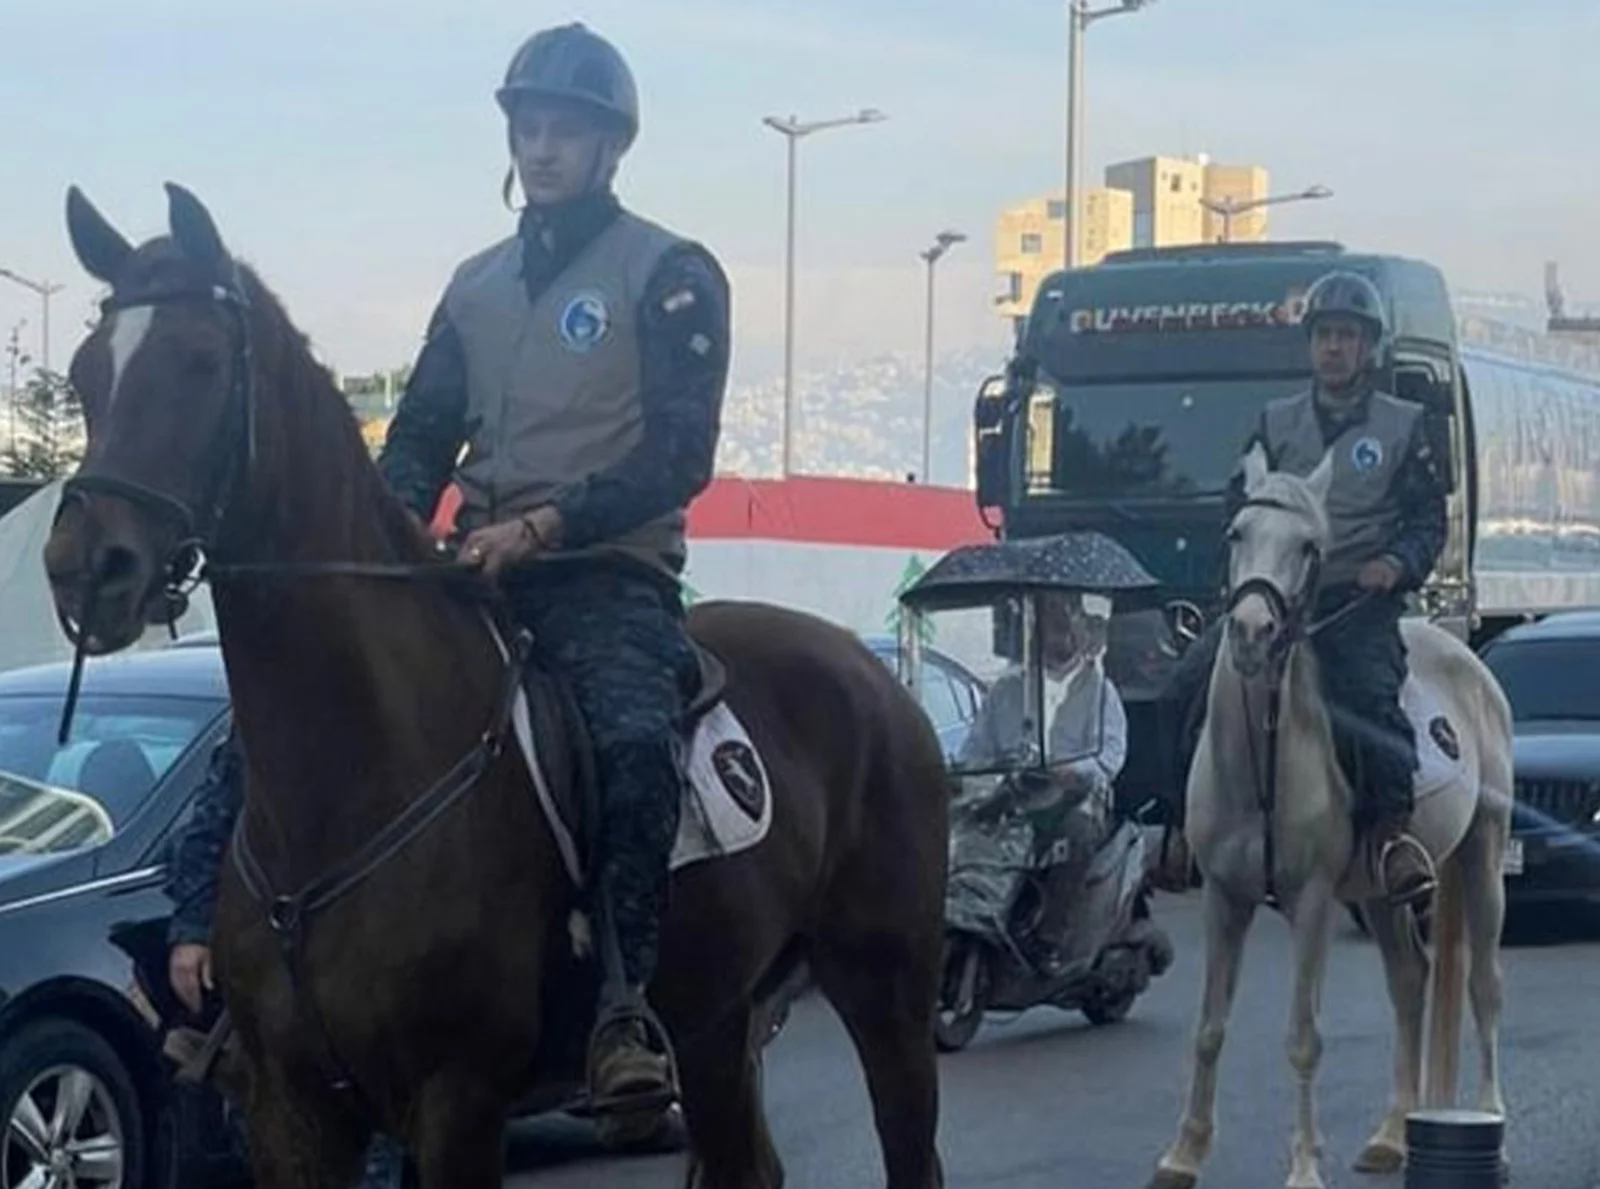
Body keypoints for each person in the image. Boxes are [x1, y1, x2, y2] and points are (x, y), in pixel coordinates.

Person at [375, 22, 730, 1113]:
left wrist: (541, 526)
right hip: (474, 572)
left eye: (564, 130)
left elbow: (679, 453)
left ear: (610, 146)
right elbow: (419, 438)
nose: (541, 147)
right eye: (528, 127)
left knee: (629, 743)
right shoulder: (472, 286)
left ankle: (623, 1004)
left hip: (604, 573)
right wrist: (385, 536)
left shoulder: (669, 273)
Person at [1160, 269, 1449, 907]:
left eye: (1347, 336)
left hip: (1355, 604)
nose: (1334, 348)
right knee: (1184, 687)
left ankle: (1392, 838)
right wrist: (1244, 579)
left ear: (1368, 347)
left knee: (1370, 700)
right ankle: (1178, 830)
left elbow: (1430, 520)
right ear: (1310, 345)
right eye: (1324, 336)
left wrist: (1396, 563)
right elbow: (1237, 508)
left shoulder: (1404, 425)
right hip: (1275, 597)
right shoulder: (1275, 421)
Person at [164, 729, 407, 1189]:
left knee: (370, 1138)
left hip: (367, 976)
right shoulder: (262, 724)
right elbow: (212, 821)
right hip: (278, 972)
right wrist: (192, 930)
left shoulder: (389, 715)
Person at [958, 592, 1128, 974]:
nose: (1059, 627)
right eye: (1050, 617)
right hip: (1011, 795)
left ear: (1081, 627)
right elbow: (976, 750)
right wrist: (971, 774)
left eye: (1067, 616)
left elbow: (1110, 756)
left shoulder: (1100, 691)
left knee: (1076, 834)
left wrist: (1074, 771)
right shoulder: (1006, 690)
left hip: (1075, 798)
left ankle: (1051, 938)